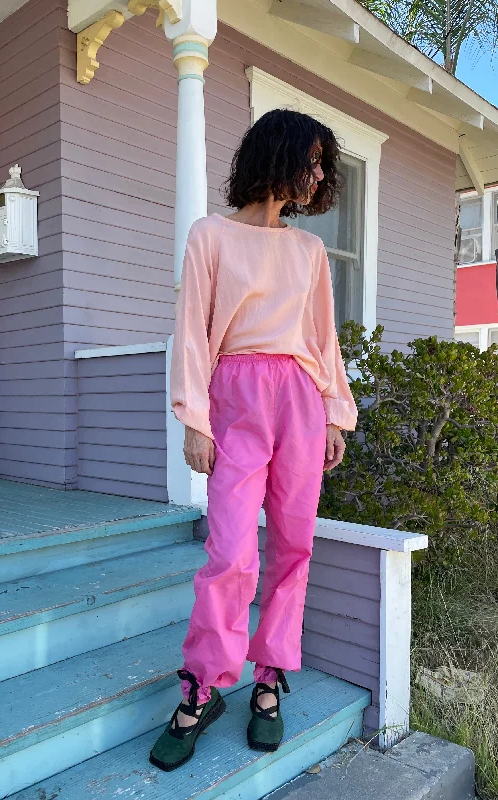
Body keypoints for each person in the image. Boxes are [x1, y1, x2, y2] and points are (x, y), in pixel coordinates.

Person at [149, 108, 358, 772]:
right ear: (280, 155)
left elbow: (324, 340)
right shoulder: (209, 235)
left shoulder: (309, 251)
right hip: (235, 397)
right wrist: (193, 418)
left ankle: (268, 676)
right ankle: (204, 685)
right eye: (314, 159)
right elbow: (190, 330)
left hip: (298, 398)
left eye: (325, 164)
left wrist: (333, 412)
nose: (319, 174)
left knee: (293, 544)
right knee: (231, 550)